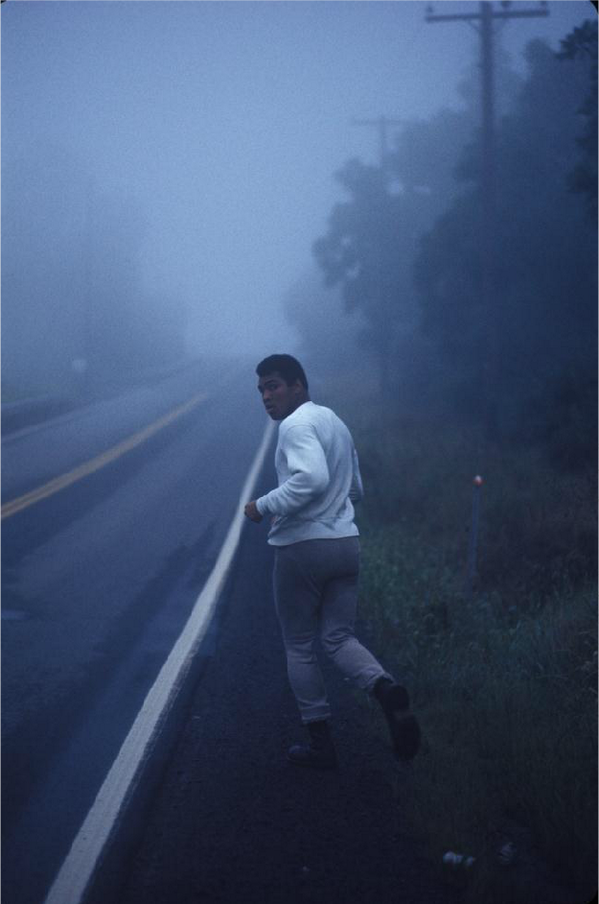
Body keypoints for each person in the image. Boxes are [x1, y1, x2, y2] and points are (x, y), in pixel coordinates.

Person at [244, 354, 420, 770]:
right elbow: (353, 488)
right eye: (262, 390)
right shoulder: (334, 422)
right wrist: (333, 513)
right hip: (345, 544)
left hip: (303, 548)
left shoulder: (295, 425)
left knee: (299, 644)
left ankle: (321, 746)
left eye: (274, 386)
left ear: (298, 386)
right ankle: (385, 690)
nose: (267, 397)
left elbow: (312, 478)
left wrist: (263, 504)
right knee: (339, 638)